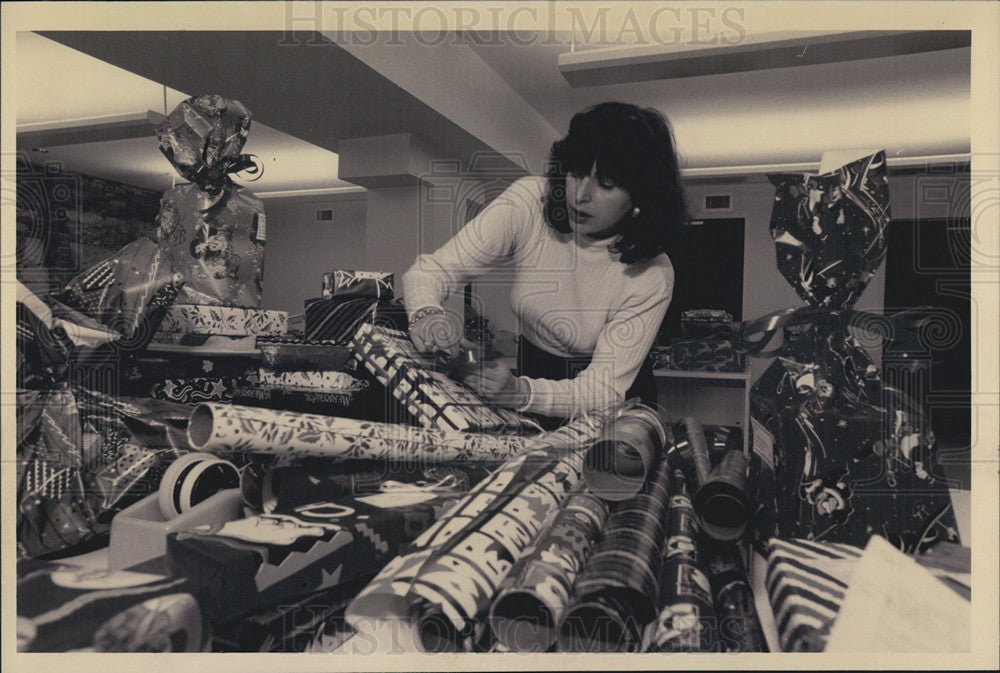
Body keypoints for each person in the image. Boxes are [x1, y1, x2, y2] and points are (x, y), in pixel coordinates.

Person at [402, 101, 689, 422]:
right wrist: (427, 314)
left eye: (606, 184)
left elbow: (602, 389)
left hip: (610, 400)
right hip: (533, 368)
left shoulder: (653, 274)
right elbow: (432, 271)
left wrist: (522, 393)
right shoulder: (528, 201)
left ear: (641, 197)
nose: (580, 195)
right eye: (577, 172)